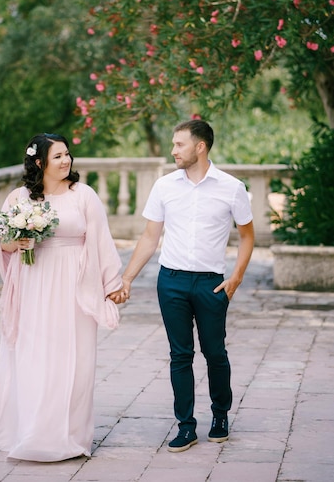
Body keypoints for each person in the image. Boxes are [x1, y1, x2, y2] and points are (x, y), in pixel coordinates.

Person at [109, 119, 254, 452]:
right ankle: (185, 426)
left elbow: (248, 236)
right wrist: (127, 278)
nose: (173, 150)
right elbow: (149, 237)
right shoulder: (164, 186)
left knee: (215, 353)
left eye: (179, 144)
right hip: (171, 281)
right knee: (180, 355)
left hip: (211, 285)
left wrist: (236, 277)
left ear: (199, 147)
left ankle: (220, 416)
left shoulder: (231, 188)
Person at [0, 133, 123, 462]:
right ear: (40, 162)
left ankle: (71, 437)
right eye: (58, 156)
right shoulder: (19, 197)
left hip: (75, 284)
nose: (66, 161)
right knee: (35, 355)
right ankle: (32, 432)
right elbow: (1, 240)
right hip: (34, 283)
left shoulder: (83, 195)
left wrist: (112, 283)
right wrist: (18, 243)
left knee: (77, 360)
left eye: (67, 155)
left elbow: (101, 240)